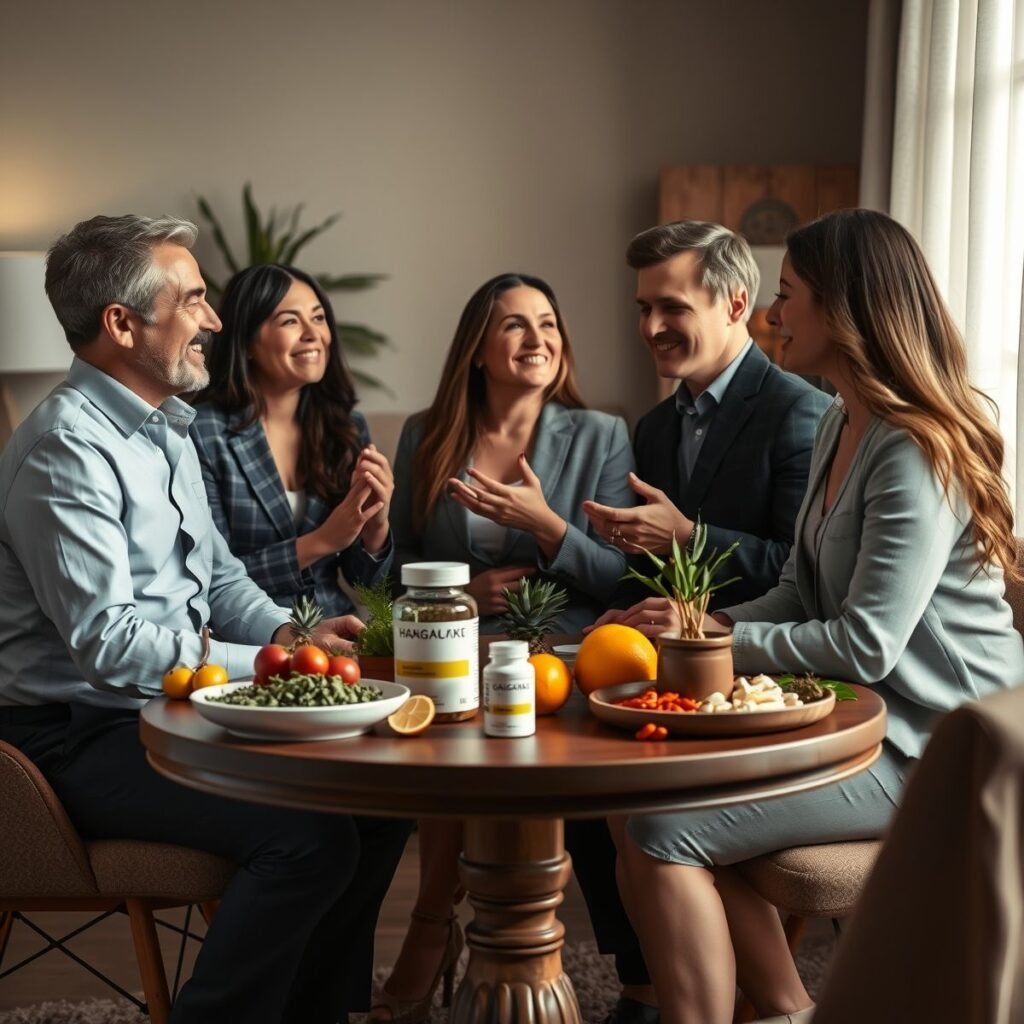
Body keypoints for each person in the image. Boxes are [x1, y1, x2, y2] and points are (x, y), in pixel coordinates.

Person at [611, 208, 1024, 1024]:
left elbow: (865, 644)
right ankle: (787, 1013)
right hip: (863, 723)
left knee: (663, 826)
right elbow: (802, 593)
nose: (772, 313)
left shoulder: (912, 449)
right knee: (652, 806)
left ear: (842, 307)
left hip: (937, 746)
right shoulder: (841, 420)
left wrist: (714, 652)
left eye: (789, 293)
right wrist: (699, 631)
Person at [0, 215, 410, 1024]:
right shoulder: (65, 450)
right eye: (192, 299)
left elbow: (220, 577)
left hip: (161, 713)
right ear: (122, 323)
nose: (215, 320)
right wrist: (263, 665)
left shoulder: (166, 428)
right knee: (310, 840)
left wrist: (293, 636)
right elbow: (108, 646)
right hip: (69, 739)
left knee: (384, 800)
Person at [572, 221, 833, 1024]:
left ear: (737, 303)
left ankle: (742, 1000)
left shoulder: (805, 411)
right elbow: (665, 579)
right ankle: (649, 988)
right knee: (586, 768)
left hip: (774, 682)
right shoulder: (652, 428)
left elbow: (807, 576)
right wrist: (636, 597)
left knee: (635, 799)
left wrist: (688, 539)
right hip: (690, 671)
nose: (652, 327)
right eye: (643, 307)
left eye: (672, 307)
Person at [375, 272, 636, 1024]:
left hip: (565, 652)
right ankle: (437, 921)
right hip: (458, 652)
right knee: (447, 737)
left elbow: (621, 579)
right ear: (479, 350)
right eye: (516, 326)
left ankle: (432, 934)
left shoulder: (601, 434)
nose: (538, 339)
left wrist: (551, 528)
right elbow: (400, 568)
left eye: (549, 324)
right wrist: (461, 598)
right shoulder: (427, 435)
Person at [191, 263, 392, 618]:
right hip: (251, 638)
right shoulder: (203, 431)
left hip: (340, 632)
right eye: (289, 321)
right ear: (247, 340)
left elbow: (370, 589)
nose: (313, 334)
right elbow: (209, 578)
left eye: (318, 318)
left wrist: (376, 526)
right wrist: (322, 541)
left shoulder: (345, 428)